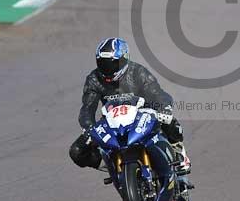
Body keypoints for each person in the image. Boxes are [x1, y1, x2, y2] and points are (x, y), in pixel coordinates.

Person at [69, 37, 191, 173]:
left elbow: (157, 93)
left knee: (170, 121)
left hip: (141, 114)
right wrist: (88, 126)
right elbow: (87, 107)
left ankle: (178, 150)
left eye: (112, 64)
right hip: (113, 120)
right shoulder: (94, 79)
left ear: (124, 59)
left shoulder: (138, 72)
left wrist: (165, 108)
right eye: (102, 64)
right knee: (77, 151)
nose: (107, 69)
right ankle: (111, 166)